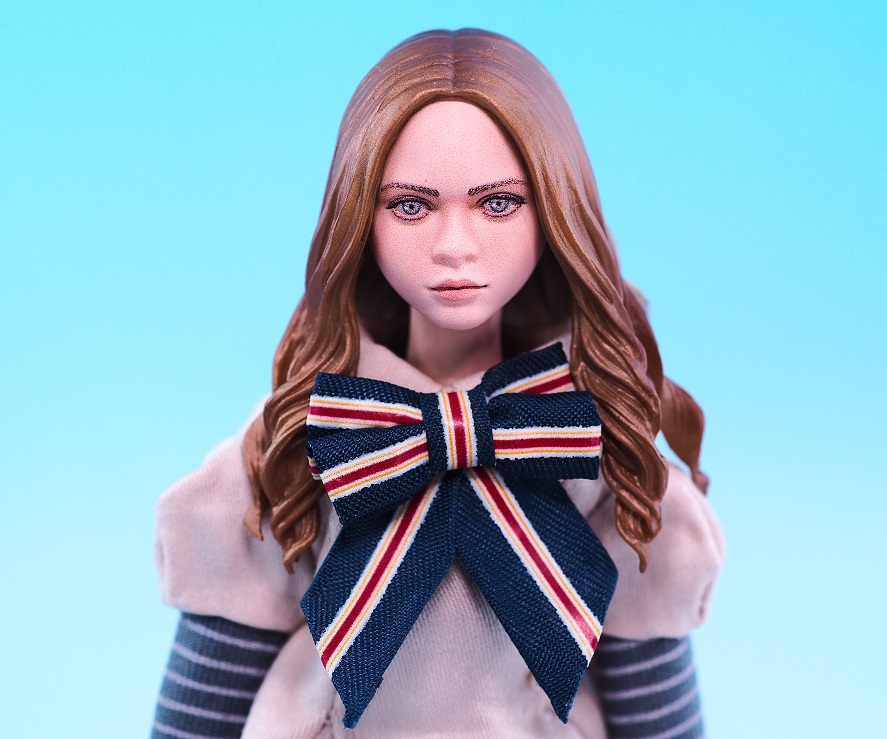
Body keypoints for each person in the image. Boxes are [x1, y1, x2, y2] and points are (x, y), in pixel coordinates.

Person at [152, 29, 724, 739]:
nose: (455, 248)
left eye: (499, 203)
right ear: (359, 215)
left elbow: (649, 681)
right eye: (411, 206)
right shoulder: (318, 430)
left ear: (555, 210)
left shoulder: (582, 431)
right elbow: (215, 672)